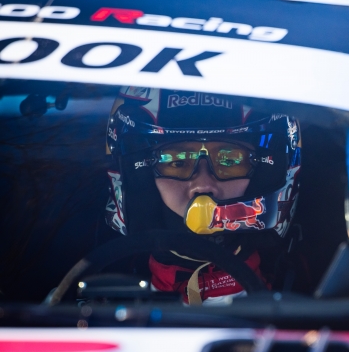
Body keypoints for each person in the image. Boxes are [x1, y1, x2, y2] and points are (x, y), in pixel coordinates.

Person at [104, 87, 301, 305]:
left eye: (230, 160)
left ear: (265, 173)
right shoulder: (94, 308)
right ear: (139, 177)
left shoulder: (311, 308)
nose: (204, 185)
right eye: (177, 162)